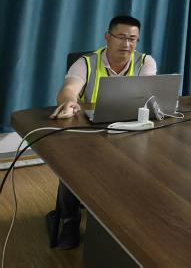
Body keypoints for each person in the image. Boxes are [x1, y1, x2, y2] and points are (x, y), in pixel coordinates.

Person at [46, 15, 156, 249]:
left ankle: (129, 220)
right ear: (108, 37)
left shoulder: (145, 62)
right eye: (121, 37)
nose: (127, 44)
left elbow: (148, 94)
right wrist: (69, 101)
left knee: (152, 163)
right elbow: (69, 89)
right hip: (91, 132)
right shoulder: (85, 62)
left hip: (130, 132)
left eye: (133, 39)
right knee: (71, 164)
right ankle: (70, 221)